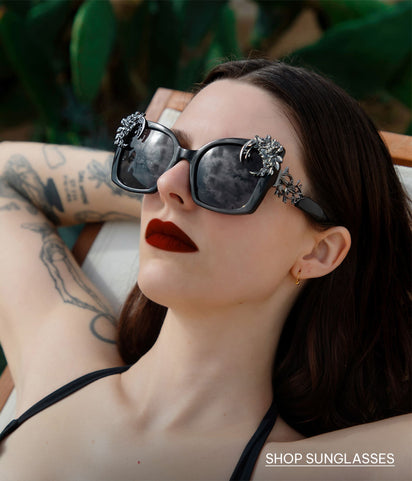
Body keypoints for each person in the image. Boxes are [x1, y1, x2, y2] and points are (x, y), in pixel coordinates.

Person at [0, 59, 410, 480]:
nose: (167, 186)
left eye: (232, 172)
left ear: (320, 252)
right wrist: (172, 182)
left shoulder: (306, 468)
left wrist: (382, 238)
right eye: (158, 154)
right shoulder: (59, 365)